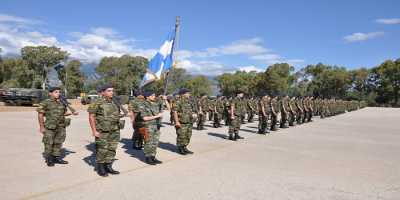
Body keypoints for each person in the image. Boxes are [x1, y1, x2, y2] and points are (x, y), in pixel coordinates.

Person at [88, 84, 124, 177]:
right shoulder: (97, 102)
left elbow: (115, 113)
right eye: (109, 91)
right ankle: (101, 168)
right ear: (103, 92)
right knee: (102, 149)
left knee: (112, 149)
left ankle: (108, 166)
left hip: (114, 129)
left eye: (112, 90)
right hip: (102, 130)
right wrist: (94, 131)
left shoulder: (114, 102)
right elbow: (91, 116)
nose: (111, 92)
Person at [37, 86, 78, 167]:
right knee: (49, 143)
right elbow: (40, 115)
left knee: (58, 142)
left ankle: (56, 157)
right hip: (50, 127)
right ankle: (49, 159)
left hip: (60, 126)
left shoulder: (61, 102)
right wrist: (41, 127)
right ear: (50, 93)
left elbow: (64, 113)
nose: (58, 94)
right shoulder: (45, 102)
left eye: (59, 92)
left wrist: (72, 113)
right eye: (56, 92)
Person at [140, 91, 164, 165]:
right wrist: (157, 116)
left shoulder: (155, 104)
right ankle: (148, 157)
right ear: (147, 97)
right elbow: (144, 118)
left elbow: (163, 106)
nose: (154, 96)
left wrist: (165, 99)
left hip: (156, 126)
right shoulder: (143, 104)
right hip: (148, 126)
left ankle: (153, 156)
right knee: (148, 142)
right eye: (152, 95)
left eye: (154, 95)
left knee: (155, 142)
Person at [172, 89, 197, 155]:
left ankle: (185, 147)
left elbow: (191, 110)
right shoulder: (178, 101)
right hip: (182, 122)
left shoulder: (189, 101)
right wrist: (177, 122)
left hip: (189, 122)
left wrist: (193, 114)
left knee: (188, 135)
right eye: (187, 93)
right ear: (183, 94)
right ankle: (180, 148)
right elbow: (174, 112)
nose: (189, 94)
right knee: (181, 136)